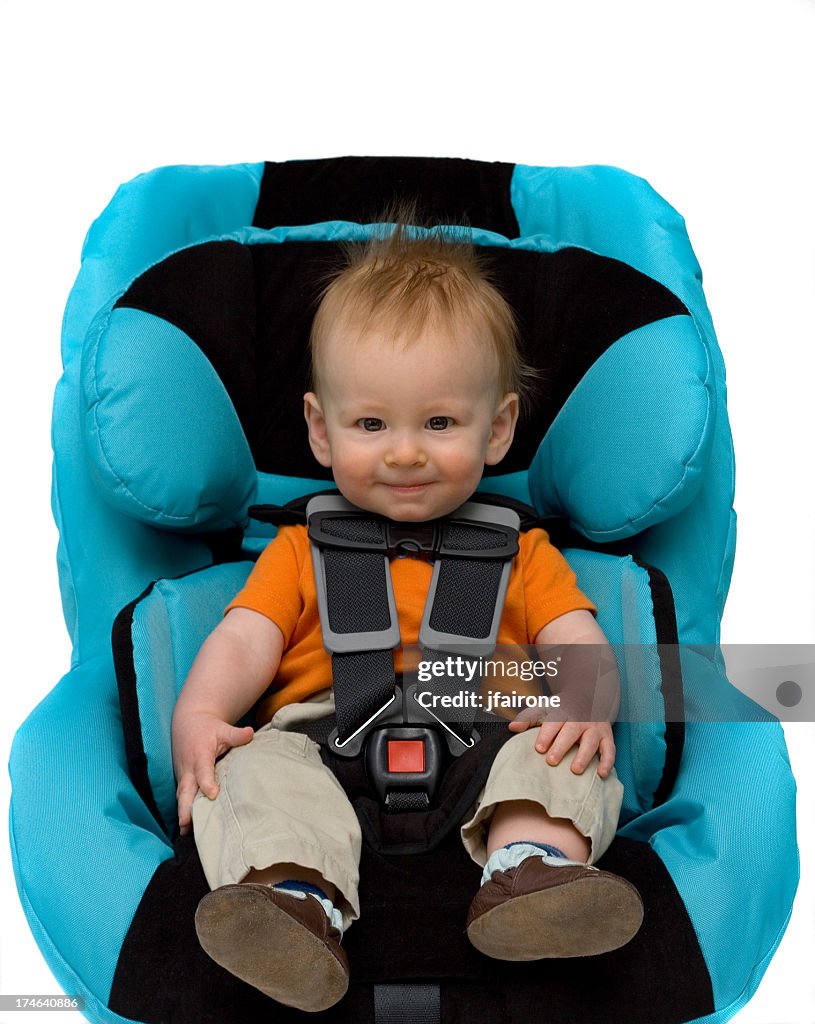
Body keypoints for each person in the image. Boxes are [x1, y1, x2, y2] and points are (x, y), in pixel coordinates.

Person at [171, 210, 644, 1012]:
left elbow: (573, 634)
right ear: (319, 431)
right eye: (369, 424)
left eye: (438, 422)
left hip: (488, 741)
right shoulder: (297, 552)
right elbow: (245, 638)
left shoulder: (524, 554)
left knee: (566, 756)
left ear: (496, 430)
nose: (403, 451)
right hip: (321, 742)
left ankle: (534, 874)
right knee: (252, 773)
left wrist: (584, 699)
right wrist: (202, 710)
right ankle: (292, 902)